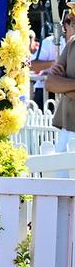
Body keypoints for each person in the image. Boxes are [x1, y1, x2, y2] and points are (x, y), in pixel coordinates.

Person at [46, 9, 75, 160]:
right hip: (67, 129)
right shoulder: (71, 44)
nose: (72, 20)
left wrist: (64, 84)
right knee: (59, 179)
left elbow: (57, 84)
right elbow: (50, 84)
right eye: (71, 18)